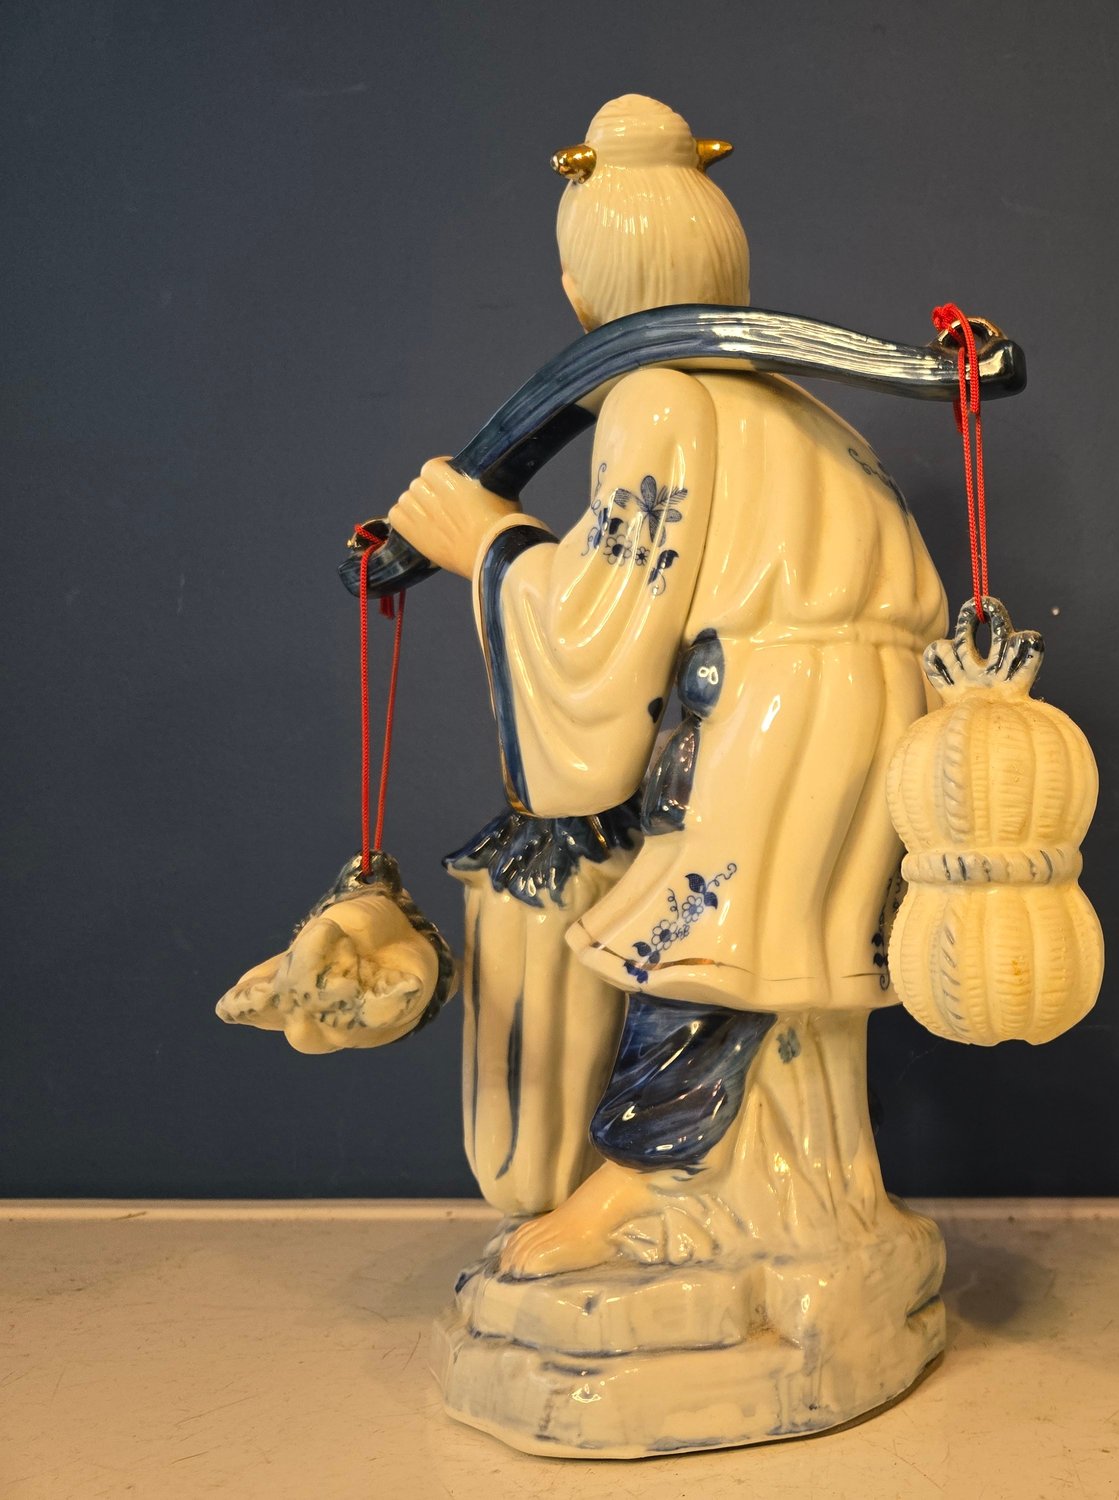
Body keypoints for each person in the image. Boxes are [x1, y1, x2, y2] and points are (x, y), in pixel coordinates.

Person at [386, 95, 947, 1283]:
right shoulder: (807, 409)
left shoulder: (657, 396)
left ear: (581, 289)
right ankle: (794, 1194)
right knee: (778, 970)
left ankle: (647, 1182)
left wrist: (484, 541)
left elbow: (608, 615)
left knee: (703, 944)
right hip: (868, 705)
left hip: (777, 709)